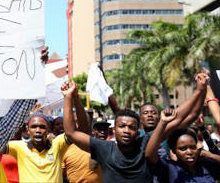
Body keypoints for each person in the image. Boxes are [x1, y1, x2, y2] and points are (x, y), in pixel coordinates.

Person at [62, 73, 208, 182]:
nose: (126, 130)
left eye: (131, 127)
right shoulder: (104, 149)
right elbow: (70, 132)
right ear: (114, 130)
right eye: (122, 126)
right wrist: (68, 97)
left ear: (138, 129)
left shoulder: (145, 143)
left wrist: (199, 91)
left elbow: (177, 118)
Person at [147, 120, 220, 183]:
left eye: (193, 147)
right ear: (173, 150)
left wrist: (210, 155)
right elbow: (150, 155)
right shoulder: (170, 168)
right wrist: (163, 122)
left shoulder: (205, 165)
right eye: (182, 149)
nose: (189, 152)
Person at [63, 117, 109, 183]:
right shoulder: (66, 148)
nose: (102, 132)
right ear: (93, 131)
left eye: (105, 129)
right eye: (99, 129)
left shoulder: (111, 148)